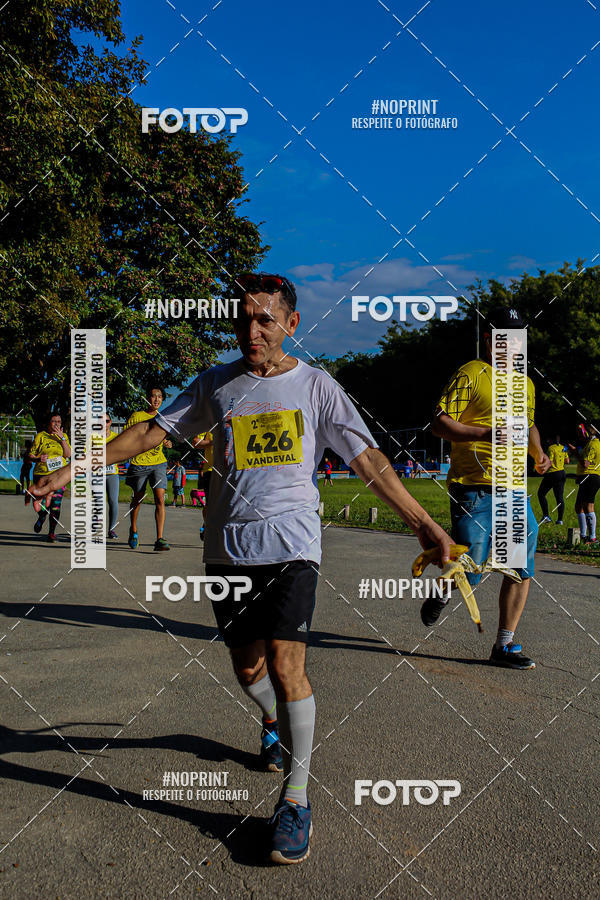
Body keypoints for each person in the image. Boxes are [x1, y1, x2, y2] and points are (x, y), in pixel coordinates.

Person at [32, 270, 451, 866]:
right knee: (248, 667)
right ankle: (273, 722)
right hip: (228, 550)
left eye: (265, 319)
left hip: (293, 547)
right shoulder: (216, 385)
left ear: (291, 323)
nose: (252, 331)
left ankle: (296, 801)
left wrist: (424, 524)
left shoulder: (317, 387)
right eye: (244, 319)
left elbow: (368, 460)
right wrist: (73, 470)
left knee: (285, 666)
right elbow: (150, 433)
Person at [430, 306, 550, 670]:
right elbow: (439, 422)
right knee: (473, 567)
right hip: (474, 487)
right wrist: (485, 433)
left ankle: (504, 644)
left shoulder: (525, 383)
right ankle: (444, 592)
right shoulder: (473, 373)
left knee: (519, 567)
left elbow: (528, 425)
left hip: (513, 488)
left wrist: (539, 452)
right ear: (490, 339)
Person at [124, 386, 172, 551]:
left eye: (160, 397)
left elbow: (165, 436)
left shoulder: (163, 417)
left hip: (159, 463)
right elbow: (126, 437)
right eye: (153, 396)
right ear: (147, 398)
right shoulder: (137, 416)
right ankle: (134, 530)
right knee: (138, 499)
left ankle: (159, 538)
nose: (156, 399)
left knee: (160, 498)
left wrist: (167, 442)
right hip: (140, 463)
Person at [29, 412, 71, 542]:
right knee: (40, 503)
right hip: (42, 474)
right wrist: (38, 458)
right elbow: (30, 455)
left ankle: (51, 532)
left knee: (56, 505)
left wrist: (62, 439)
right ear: (49, 423)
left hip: (59, 476)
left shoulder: (63, 436)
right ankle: (42, 517)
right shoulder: (41, 436)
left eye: (59, 422)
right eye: (54, 421)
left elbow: (68, 454)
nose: (56, 424)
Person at [570, 424, 600, 542]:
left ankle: (592, 537)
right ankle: (583, 535)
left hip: (591, 477)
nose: (580, 436)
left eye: (581, 433)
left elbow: (586, 464)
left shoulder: (594, 444)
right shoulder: (589, 443)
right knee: (579, 507)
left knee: (588, 506)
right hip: (585, 477)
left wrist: (575, 452)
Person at [97, 413, 120, 539]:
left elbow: (123, 454)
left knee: (113, 501)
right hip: (97, 474)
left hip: (112, 473)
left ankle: (111, 529)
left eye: (106, 421)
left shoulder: (116, 437)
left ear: (110, 422)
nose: (103, 424)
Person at [538, 435, 569, 525]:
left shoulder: (551, 448)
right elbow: (567, 461)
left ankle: (546, 516)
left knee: (541, 494)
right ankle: (560, 520)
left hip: (553, 474)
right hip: (562, 473)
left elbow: (550, 462)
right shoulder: (563, 447)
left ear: (551, 439)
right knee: (559, 497)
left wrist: (542, 469)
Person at [192, 431, 214, 540]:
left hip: (231, 470)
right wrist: (211, 442)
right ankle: (206, 525)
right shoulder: (210, 421)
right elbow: (195, 442)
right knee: (211, 504)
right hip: (211, 470)